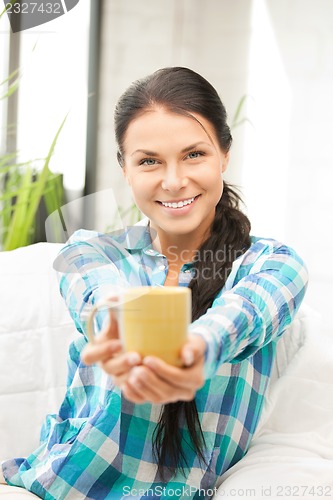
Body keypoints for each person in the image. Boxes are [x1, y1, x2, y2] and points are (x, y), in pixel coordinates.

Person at [1, 67, 308, 499]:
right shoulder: (91, 252)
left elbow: (243, 314)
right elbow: (100, 297)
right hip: (52, 485)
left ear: (224, 154)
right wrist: (117, 329)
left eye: (194, 155)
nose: (173, 180)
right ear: (125, 169)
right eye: (149, 161)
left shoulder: (272, 265)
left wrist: (194, 351)